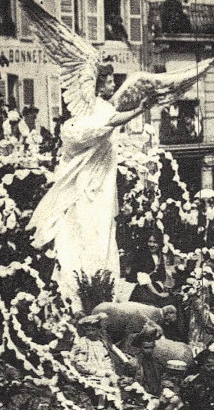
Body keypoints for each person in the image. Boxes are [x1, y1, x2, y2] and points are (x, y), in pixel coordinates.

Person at [28, 63, 152, 306]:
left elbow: (111, 122)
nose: (113, 85)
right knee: (82, 226)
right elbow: (109, 123)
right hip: (86, 175)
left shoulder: (104, 107)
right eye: (108, 81)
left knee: (102, 228)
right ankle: (78, 284)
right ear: (96, 84)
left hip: (102, 176)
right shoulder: (91, 114)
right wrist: (138, 110)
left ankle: (101, 281)